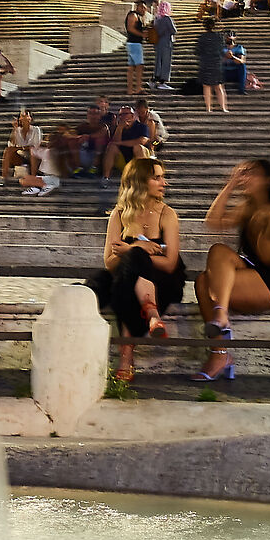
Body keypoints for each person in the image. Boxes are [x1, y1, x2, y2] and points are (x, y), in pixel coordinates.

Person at [193, 159, 270, 380]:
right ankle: (220, 346)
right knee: (211, 263)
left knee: (207, 284)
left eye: (251, 173)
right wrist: (230, 184)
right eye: (243, 173)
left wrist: (261, 223)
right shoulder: (249, 207)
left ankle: (220, 325)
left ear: (267, 180)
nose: (245, 177)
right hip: (255, 271)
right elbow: (213, 221)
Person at [86, 157, 185, 380]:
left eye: (163, 177)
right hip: (127, 279)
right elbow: (109, 263)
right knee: (100, 282)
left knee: (132, 266)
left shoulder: (167, 214)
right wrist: (138, 247)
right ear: (140, 181)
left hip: (164, 281)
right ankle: (151, 314)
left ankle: (126, 356)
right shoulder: (119, 214)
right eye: (157, 177)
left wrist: (131, 252)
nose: (164, 183)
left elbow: (170, 263)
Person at [103, 101, 158, 178]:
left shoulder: (142, 126)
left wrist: (120, 143)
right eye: (120, 115)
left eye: (125, 114)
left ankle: (142, 177)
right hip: (124, 158)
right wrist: (119, 128)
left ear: (132, 116)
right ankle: (106, 177)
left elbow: (142, 141)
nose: (122, 117)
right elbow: (114, 142)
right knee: (112, 147)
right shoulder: (118, 127)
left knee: (137, 147)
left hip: (140, 156)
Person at [195, 16, 230, 114]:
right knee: (218, 86)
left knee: (206, 86)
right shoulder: (219, 37)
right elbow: (223, 50)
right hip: (216, 63)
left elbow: (197, 51)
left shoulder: (202, 38)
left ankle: (208, 108)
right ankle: (223, 107)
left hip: (205, 62)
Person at [0, 110, 42, 187]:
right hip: (21, 156)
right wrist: (14, 129)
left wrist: (22, 148)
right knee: (8, 150)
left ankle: (33, 178)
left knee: (32, 150)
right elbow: (11, 144)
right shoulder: (18, 130)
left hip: (34, 158)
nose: (24, 117)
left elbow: (36, 145)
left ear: (30, 118)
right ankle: (4, 177)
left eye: (26, 115)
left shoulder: (36, 130)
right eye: (22, 116)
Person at [122, 1, 150, 99]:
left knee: (131, 67)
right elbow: (130, 28)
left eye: (145, 8)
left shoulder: (139, 17)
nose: (144, 10)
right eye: (142, 8)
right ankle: (138, 88)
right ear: (138, 7)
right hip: (134, 44)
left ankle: (130, 89)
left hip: (134, 43)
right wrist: (142, 34)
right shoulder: (133, 15)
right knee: (139, 66)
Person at [151, 0, 178, 89]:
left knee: (158, 61)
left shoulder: (157, 19)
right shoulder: (167, 19)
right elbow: (173, 30)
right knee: (166, 62)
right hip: (166, 42)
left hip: (158, 43)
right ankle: (162, 82)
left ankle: (154, 80)